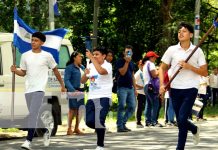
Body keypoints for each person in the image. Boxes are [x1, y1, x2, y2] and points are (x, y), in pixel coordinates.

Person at [11, 32, 66, 150]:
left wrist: (62, 85)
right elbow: (23, 73)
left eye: (36, 40)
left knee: (32, 114)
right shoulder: (25, 55)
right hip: (28, 89)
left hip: (39, 89)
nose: (33, 42)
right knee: (34, 115)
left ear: (42, 42)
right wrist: (15, 70)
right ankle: (46, 130)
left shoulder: (47, 55)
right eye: (32, 40)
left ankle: (28, 141)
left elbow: (55, 71)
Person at [159, 22, 208, 150]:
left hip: (191, 88)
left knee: (181, 118)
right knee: (181, 121)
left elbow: (204, 72)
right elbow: (162, 68)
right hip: (174, 88)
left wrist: (189, 67)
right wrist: (162, 84)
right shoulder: (172, 50)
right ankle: (194, 128)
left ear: (191, 34)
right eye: (179, 31)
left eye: (184, 31)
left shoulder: (197, 51)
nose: (180, 33)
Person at [81, 47, 112, 150]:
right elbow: (83, 81)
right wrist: (85, 74)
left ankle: (100, 145)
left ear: (104, 56)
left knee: (99, 120)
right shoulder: (90, 65)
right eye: (93, 54)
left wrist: (91, 58)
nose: (94, 56)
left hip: (104, 97)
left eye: (97, 54)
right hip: (91, 98)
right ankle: (102, 129)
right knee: (88, 121)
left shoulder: (108, 65)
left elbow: (101, 71)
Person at [115, 45, 137, 132]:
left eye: (130, 52)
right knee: (122, 106)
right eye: (127, 51)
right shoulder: (120, 61)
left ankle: (123, 123)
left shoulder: (132, 63)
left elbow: (133, 76)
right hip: (122, 87)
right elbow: (122, 73)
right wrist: (126, 62)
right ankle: (119, 126)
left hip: (130, 88)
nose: (128, 53)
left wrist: (135, 89)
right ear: (124, 53)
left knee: (132, 106)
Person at [64, 51, 85, 135]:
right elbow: (66, 80)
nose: (81, 58)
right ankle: (69, 129)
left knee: (80, 110)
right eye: (79, 56)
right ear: (74, 58)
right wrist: (72, 90)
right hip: (73, 91)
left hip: (81, 90)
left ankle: (76, 128)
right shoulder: (69, 67)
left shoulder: (82, 67)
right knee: (72, 110)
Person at [142, 51, 161, 127]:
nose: (155, 59)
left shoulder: (145, 65)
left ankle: (148, 121)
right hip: (152, 86)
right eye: (154, 57)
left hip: (146, 86)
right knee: (155, 104)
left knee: (149, 104)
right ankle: (154, 121)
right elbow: (154, 75)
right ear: (151, 57)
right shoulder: (151, 64)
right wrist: (160, 70)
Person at [134, 59, 146, 128]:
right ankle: (138, 122)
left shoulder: (144, 73)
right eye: (141, 64)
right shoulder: (138, 73)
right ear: (138, 65)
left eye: (143, 64)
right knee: (139, 107)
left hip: (144, 92)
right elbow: (134, 83)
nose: (142, 65)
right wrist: (140, 86)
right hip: (139, 92)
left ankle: (141, 120)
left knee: (142, 107)